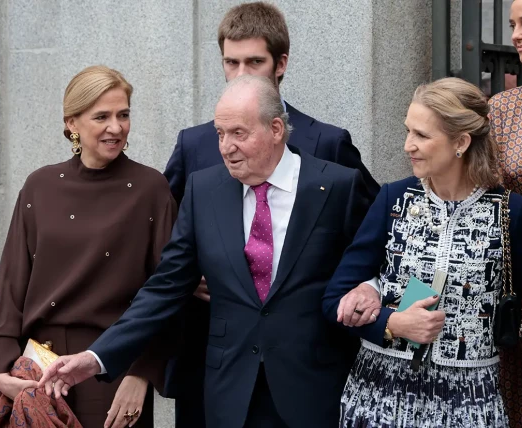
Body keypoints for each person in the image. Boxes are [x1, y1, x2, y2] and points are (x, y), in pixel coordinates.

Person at [38, 75, 372, 428]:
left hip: (314, 392)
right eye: (219, 133)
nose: (225, 147)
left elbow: (376, 261)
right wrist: (96, 357)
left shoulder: (336, 187)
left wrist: (371, 287)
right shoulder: (204, 190)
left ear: (276, 129)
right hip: (230, 397)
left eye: (238, 134)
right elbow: (164, 288)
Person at [162, 3, 379, 426]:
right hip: (220, 358)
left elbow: (374, 237)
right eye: (231, 62)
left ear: (280, 64)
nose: (242, 73)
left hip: (305, 364)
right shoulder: (196, 144)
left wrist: (363, 289)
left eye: (255, 62)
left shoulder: (328, 144)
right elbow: (169, 238)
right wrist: (192, 275)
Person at [322, 77, 522, 426]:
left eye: (422, 135)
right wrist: (391, 322)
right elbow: (334, 300)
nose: (408, 145)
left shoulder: (510, 213)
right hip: (381, 398)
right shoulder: (394, 199)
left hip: (469, 402)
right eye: (408, 131)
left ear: (461, 142)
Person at [0, 65, 177, 428]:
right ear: (72, 123)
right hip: (37, 375)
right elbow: (10, 288)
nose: (116, 127)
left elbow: (168, 293)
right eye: (101, 116)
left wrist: (141, 375)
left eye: (123, 115)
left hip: (111, 374)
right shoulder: (39, 187)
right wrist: (2, 370)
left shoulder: (151, 190)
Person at [489, 1, 522, 425]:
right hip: (519, 260)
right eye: (512, 25)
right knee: (520, 388)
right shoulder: (504, 108)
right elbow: (483, 191)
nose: (516, 35)